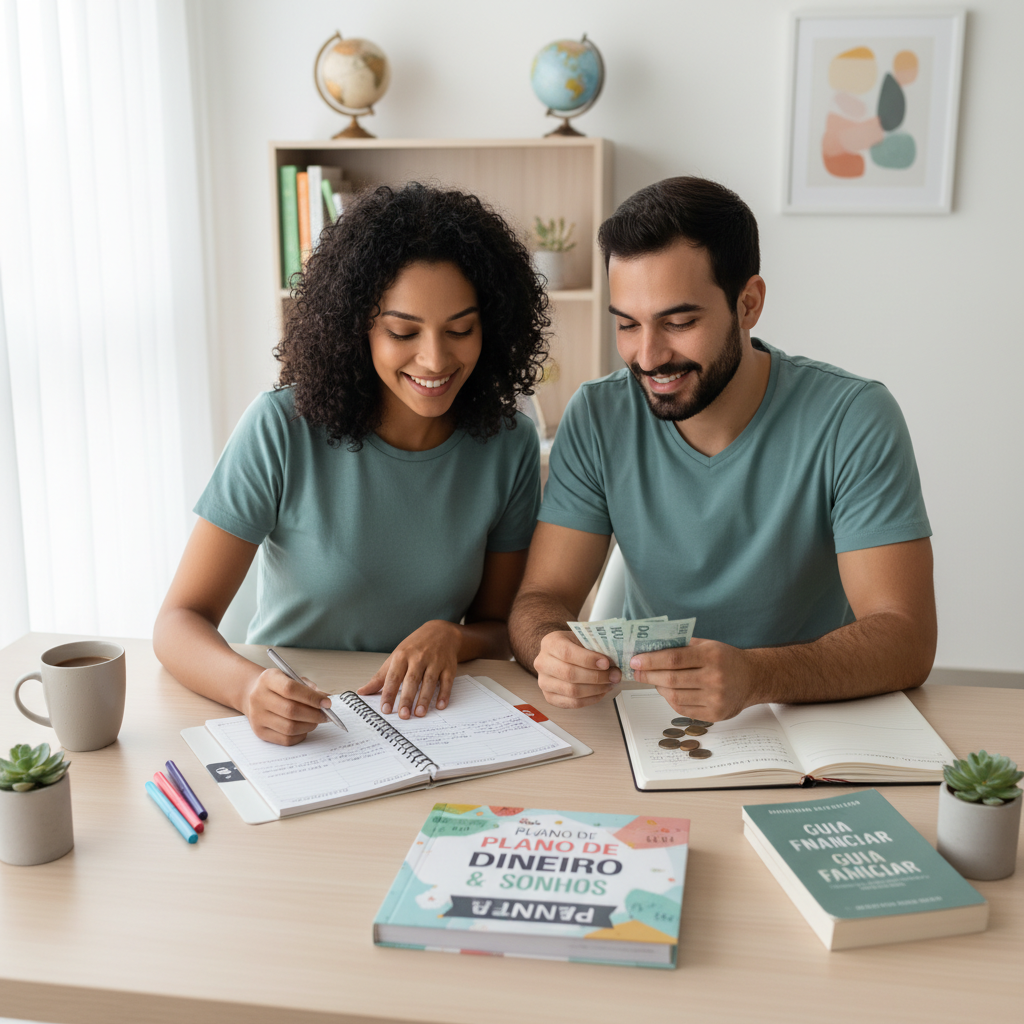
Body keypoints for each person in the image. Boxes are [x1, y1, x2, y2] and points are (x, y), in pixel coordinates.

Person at [508, 176, 935, 721]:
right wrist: (548, 645)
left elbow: (906, 637)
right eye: (627, 325)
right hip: (651, 720)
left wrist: (758, 676)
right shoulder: (596, 415)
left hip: (813, 716)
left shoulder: (854, 416)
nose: (648, 356)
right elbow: (540, 597)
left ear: (749, 304)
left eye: (679, 322)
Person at [155, 183, 549, 744]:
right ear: (356, 325)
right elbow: (177, 622)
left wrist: (450, 637)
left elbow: (498, 628)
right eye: (402, 331)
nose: (436, 359)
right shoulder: (280, 429)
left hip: (426, 720)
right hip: (299, 718)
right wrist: (247, 689)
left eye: (460, 329)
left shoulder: (508, 446)